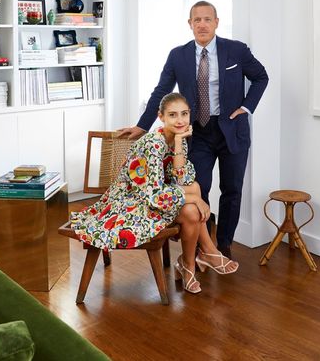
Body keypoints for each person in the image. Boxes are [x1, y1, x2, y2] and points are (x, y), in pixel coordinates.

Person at [119, 1, 268, 259]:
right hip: (197, 132)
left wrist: (247, 107)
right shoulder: (178, 55)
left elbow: (261, 76)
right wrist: (142, 125)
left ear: (216, 22)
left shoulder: (236, 50)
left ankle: (224, 246)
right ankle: (203, 245)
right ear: (190, 24)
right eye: (197, 20)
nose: (202, 24)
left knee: (232, 189)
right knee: (201, 187)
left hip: (232, 129)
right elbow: (161, 90)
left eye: (207, 19)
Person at [71, 92, 238, 295]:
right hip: (133, 201)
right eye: (173, 115)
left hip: (157, 195)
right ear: (161, 117)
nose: (180, 120)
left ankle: (199, 258)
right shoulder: (153, 143)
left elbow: (183, 179)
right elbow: (153, 194)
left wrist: (178, 143)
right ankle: (197, 261)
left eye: (184, 114)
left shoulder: (177, 137)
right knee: (193, 208)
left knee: (194, 188)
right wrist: (195, 199)